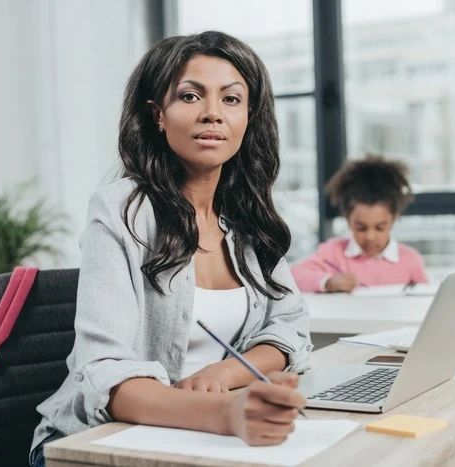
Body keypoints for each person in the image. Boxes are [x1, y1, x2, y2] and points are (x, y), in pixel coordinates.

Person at [28, 31, 312, 467]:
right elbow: (104, 371)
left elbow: (289, 327)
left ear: (250, 117)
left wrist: (222, 374)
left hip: (207, 438)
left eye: (231, 99)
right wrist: (226, 413)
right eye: (190, 96)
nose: (213, 113)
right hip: (101, 443)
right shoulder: (122, 209)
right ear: (158, 115)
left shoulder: (247, 218)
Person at [291, 155, 428, 293]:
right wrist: (328, 282)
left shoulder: (411, 260)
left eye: (380, 228)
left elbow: (429, 299)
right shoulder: (332, 253)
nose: (370, 236)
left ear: (393, 219)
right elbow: (294, 276)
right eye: (361, 228)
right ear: (348, 219)